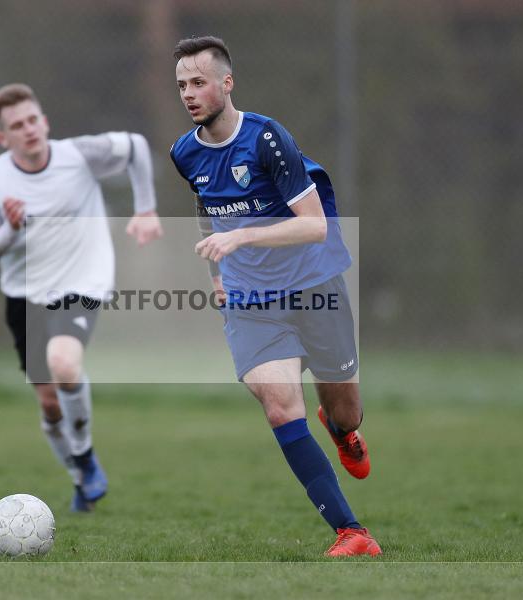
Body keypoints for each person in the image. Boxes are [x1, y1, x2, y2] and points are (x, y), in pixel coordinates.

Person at [169, 37, 381, 557]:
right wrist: (219, 273)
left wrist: (241, 236)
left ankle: (341, 430)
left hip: (315, 285)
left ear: (227, 83)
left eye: (199, 83)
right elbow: (207, 204)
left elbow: (313, 226)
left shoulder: (267, 139)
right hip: (250, 300)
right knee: (282, 408)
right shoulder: (184, 152)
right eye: (182, 85)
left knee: (347, 412)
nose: (189, 94)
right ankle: (352, 533)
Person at [0, 83, 162, 512]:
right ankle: (81, 476)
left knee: (64, 363)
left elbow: (135, 146)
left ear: (45, 122)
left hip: (82, 281)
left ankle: (85, 458)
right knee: (49, 401)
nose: (28, 130)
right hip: (23, 295)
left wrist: (146, 208)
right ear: (3, 138)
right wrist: (11, 228)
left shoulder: (78, 154)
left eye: (32, 120)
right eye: (17, 126)